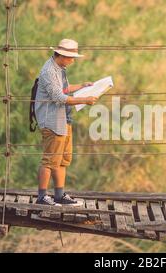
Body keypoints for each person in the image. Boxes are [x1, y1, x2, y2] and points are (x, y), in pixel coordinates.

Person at [34, 38, 97, 206]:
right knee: (49, 160)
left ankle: (59, 195)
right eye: (71, 57)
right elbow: (59, 97)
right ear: (61, 55)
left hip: (64, 120)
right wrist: (85, 99)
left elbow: (65, 89)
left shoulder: (60, 69)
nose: (73, 60)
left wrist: (82, 86)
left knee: (63, 159)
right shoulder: (49, 71)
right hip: (52, 121)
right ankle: (42, 197)